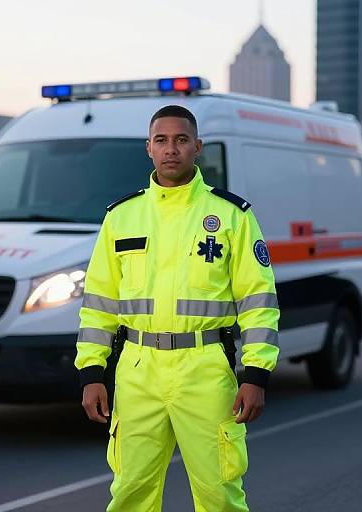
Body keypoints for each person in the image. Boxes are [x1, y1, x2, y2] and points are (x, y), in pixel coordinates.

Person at [75, 105, 280, 511]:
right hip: (137, 371)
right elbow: (98, 304)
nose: (172, 149)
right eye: (162, 140)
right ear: (148, 148)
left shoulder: (230, 216)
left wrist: (256, 374)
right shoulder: (121, 217)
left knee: (219, 493)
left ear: (197, 147)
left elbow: (259, 301)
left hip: (204, 369)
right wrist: (91, 372)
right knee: (130, 492)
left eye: (182, 140)